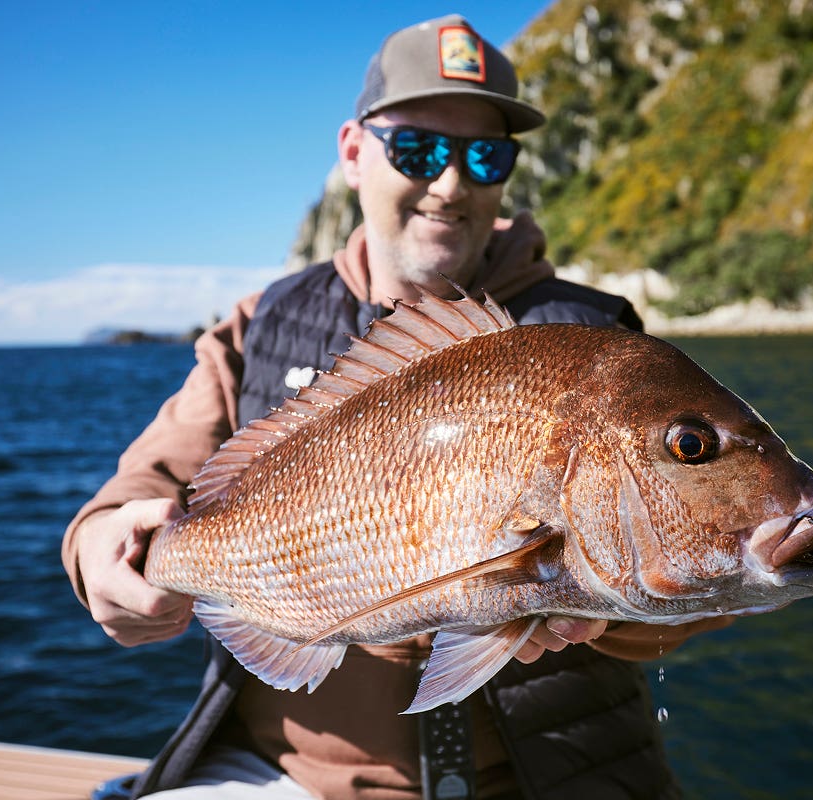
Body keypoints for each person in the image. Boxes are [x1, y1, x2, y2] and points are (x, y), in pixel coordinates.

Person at [63, 15, 726, 800]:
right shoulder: (259, 325)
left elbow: (702, 557)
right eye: (416, 150)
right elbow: (139, 488)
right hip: (285, 779)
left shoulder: (595, 340)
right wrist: (102, 551)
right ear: (353, 153)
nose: (449, 183)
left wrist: (607, 607)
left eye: (485, 155)